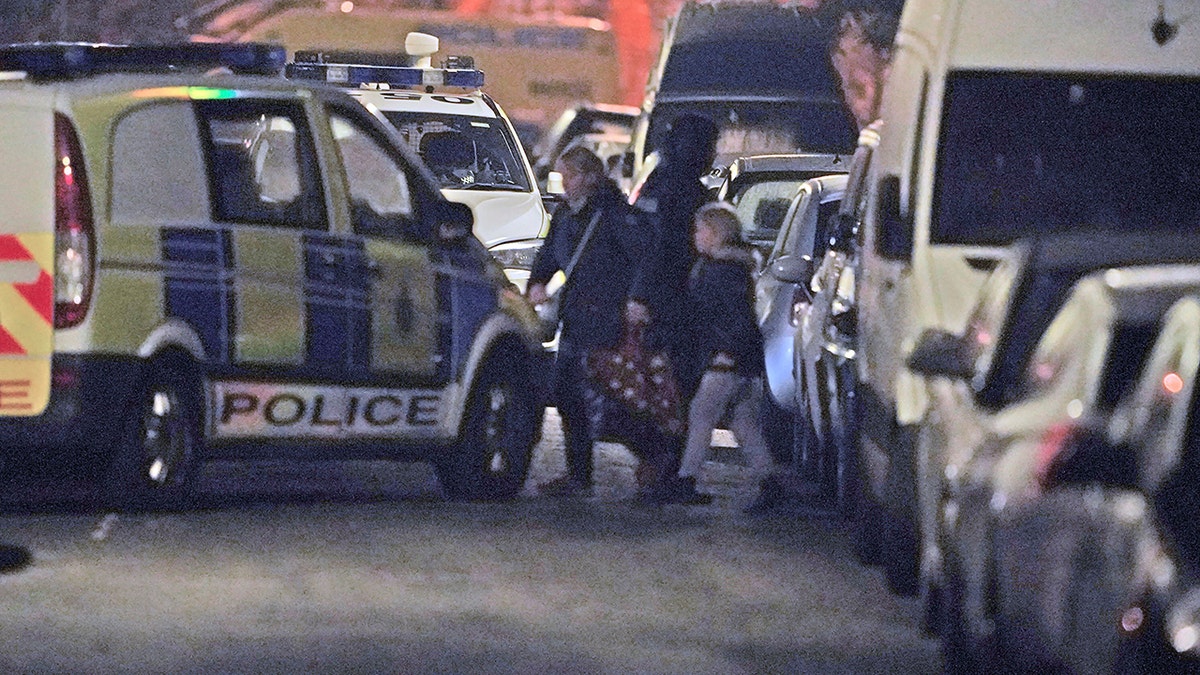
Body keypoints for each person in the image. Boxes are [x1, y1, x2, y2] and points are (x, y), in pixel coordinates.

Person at [527, 146, 644, 496]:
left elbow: (642, 258)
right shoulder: (566, 214)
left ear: (590, 177)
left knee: (612, 396)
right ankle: (579, 475)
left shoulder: (613, 215)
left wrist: (636, 300)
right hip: (576, 318)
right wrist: (538, 282)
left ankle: (655, 459)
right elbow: (549, 253)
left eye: (570, 176)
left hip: (605, 318)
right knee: (567, 394)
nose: (564, 184)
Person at [657, 203, 787, 512]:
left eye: (700, 230)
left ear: (715, 233)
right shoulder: (732, 269)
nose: (695, 236)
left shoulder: (721, 272)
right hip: (740, 358)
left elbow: (730, 317)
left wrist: (726, 352)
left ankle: (686, 479)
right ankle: (770, 481)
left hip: (726, 359)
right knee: (743, 424)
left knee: (701, 415)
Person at [625, 114, 720, 487]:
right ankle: (666, 468)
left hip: (656, 300)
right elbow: (662, 250)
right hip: (676, 304)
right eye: (709, 146)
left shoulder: (655, 183)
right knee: (674, 387)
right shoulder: (684, 191)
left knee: (654, 387)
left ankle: (660, 465)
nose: (713, 154)